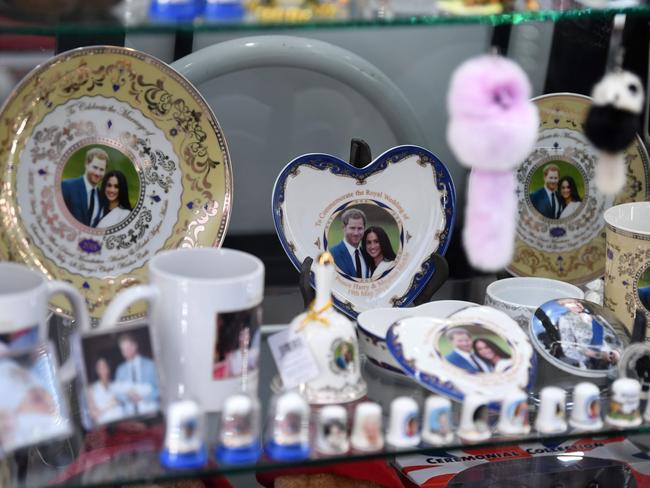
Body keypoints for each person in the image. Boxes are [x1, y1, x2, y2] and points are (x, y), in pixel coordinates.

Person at [556, 299, 618, 370]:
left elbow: (613, 335)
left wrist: (616, 351)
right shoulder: (566, 319)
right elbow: (568, 349)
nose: (577, 304)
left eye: (576, 302)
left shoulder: (596, 316)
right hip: (590, 366)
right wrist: (596, 355)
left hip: (614, 360)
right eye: (569, 303)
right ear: (565, 306)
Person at [114, 332, 159, 416]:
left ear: (135, 346)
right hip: (129, 415)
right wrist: (128, 397)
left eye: (128, 348)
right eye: (123, 350)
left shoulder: (150, 365)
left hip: (150, 411)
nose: (126, 352)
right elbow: (117, 394)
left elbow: (160, 389)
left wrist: (143, 397)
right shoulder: (120, 370)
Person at [61, 147, 108, 227]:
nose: (97, 173)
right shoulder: (67, 186)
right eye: (95, 167)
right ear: (86, 164)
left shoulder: (102, 197)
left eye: (101, 169)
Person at [329, 208, 369, 279]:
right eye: (352, 228)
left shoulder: (367, 254)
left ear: (364, 229)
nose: (356, 233)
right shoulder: (332, 254)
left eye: (360, 228)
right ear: (344, 228)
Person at [87, 357, 124, 425]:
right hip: (104, 425)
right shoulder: (92, 389)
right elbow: (93, 414)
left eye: (105, 366)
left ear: (109, 368)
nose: (103, 369)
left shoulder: (116, 385)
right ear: (97, 370)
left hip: (121, 421)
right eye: (100, 367)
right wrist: (109, 405)